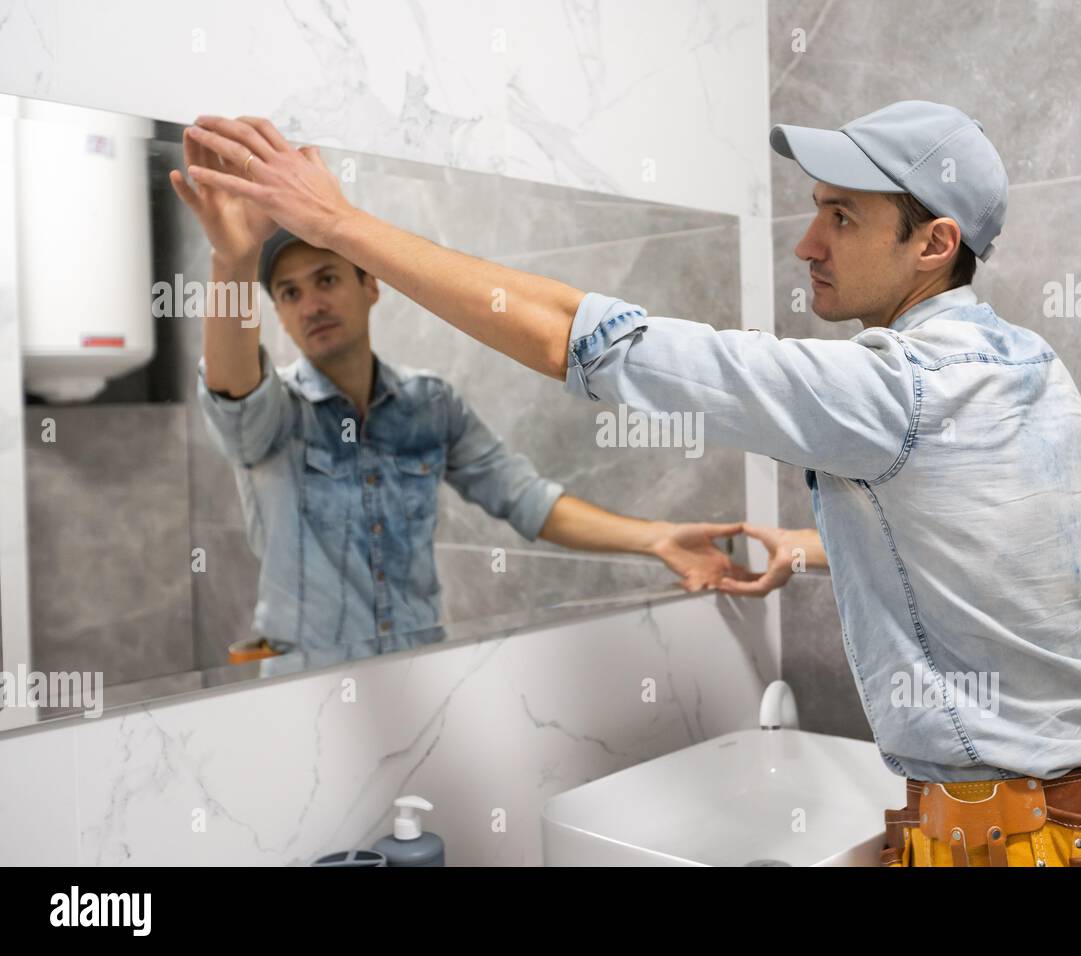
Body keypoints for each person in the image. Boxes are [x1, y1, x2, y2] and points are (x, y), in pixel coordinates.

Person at [178, 100, 1081, 866]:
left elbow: (574, 338)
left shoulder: (892, 387)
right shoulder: (1027, 365)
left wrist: (348, 223)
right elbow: (990, 539)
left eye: (839, 217)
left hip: (1030, 839)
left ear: (933, 245)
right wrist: (808, 548)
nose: (807, 242)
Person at [168, 132, 760, 668]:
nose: (311, 304)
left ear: (369, 285)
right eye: (290, 293)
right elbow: (233, 389)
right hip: (301, 687)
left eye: (326, 279)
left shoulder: (430, 404)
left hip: (419, 667)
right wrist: (234, 262)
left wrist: (654, 537)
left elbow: (527, 500)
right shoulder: (278, 415)